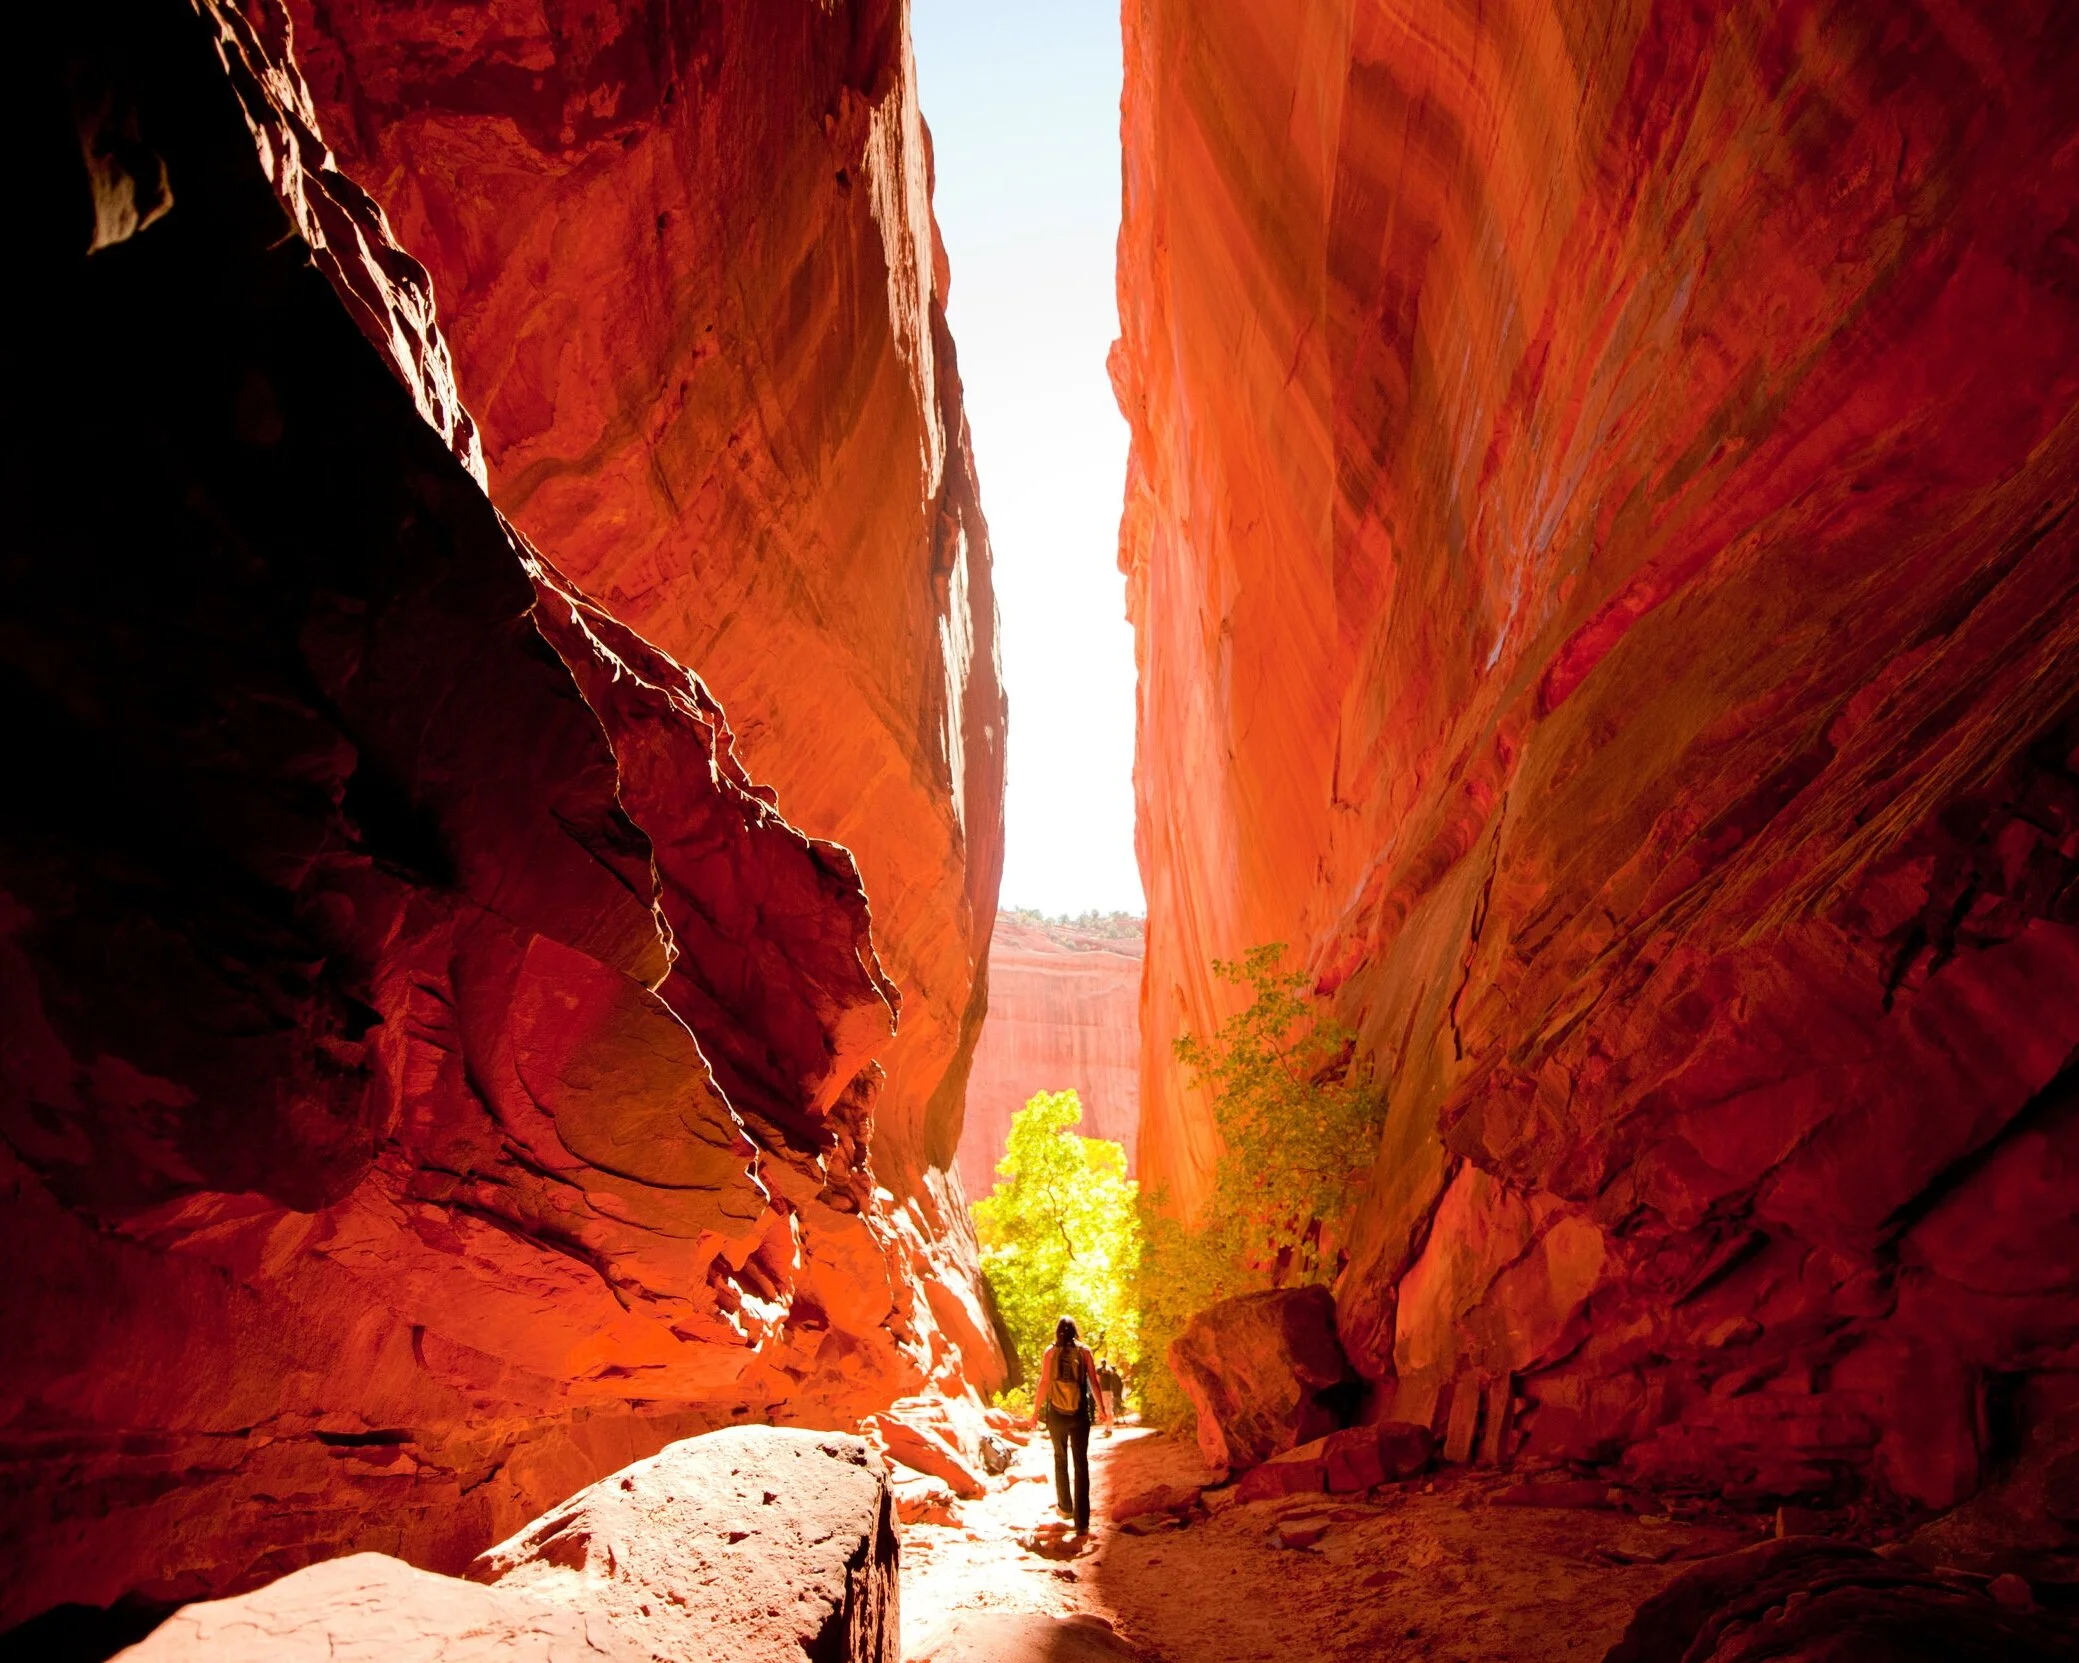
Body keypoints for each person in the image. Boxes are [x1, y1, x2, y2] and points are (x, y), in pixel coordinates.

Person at [1030, 1314, 1111, 1534]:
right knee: (1081, 1464)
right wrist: (1102, 1409)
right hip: (1079, 1414)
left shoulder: (1050, 1352)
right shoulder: (1084, 1351)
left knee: (1060, 1459)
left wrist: (1035, 1412)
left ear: (1057, 1331)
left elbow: (1044, 1382)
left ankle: (1065, 1508)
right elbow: (1093, 1381)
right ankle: (1082, 1523)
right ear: (1075, 1330)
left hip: (1056, 1414)